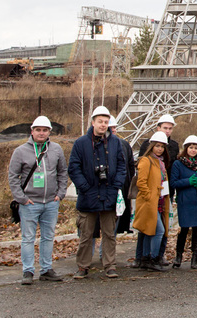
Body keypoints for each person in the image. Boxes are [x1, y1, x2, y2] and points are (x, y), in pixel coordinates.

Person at [68, 105, 127, 279]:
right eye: (100, 121)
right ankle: (83, 266)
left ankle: (110, 264)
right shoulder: (81, 143)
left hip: (109, 194)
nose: (103, 125)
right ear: (93, 122)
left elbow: (122, 166)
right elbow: (73, 168)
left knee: (109, 234)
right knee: (86, 234)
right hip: (89, 195)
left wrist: (116, 186)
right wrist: (85, 187)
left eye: (106, 122)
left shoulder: (115, 143)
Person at [8, 115, 68, 285]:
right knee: (28, 238)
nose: (42, 133)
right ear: (32, 131)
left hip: (50, 202)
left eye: (45, 130)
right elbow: (13, 177)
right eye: (38, 130)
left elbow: (63, 172)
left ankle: (46, 269)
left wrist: (60, 194)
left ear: (50, 132)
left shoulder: (56, 149)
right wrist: (22, 199)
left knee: (48, 237)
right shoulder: (20, 151)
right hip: (30, 203)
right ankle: (28, 271)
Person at [132, 131, 170, 272]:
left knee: (150, 231)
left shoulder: (160, 162)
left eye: (162, 147)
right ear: (152, 146)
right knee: (158, 231)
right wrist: (149, 196)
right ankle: (153, 258)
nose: (160, 149)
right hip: (149, 202)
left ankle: (145, 259)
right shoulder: (146, 161)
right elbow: (141, 182)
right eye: (157, 146)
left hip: (158, 201)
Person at [170, 135, 197, 269]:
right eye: (191, 148)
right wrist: (189, 181)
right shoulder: (178, 163)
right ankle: (178, 256)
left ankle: (194, 257)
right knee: (184, 229)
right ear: (186, 148)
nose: (193, 150)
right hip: (185, 201)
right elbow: (173, 182)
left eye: (195, 148)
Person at [110, 116, 136, 236]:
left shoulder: (124, 144)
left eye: (114, 127)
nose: (114, 130)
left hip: (121, 186)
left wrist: (129, 182)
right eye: (111, 128)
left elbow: (130, 165)